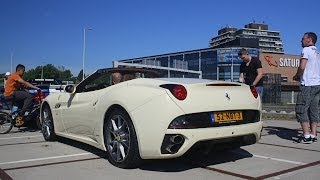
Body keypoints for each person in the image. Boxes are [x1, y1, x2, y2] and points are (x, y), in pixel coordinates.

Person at [293, 32, 320, 143]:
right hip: (317, 84)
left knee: (301, 109)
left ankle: (306, 135)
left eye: (303, 39)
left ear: (309, 39)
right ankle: (314, 135)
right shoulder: (317, 51)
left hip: (307, 84)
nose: (301, 41)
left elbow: (302, 66)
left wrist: (297, 75)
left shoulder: (306, 50)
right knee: (314, 110)